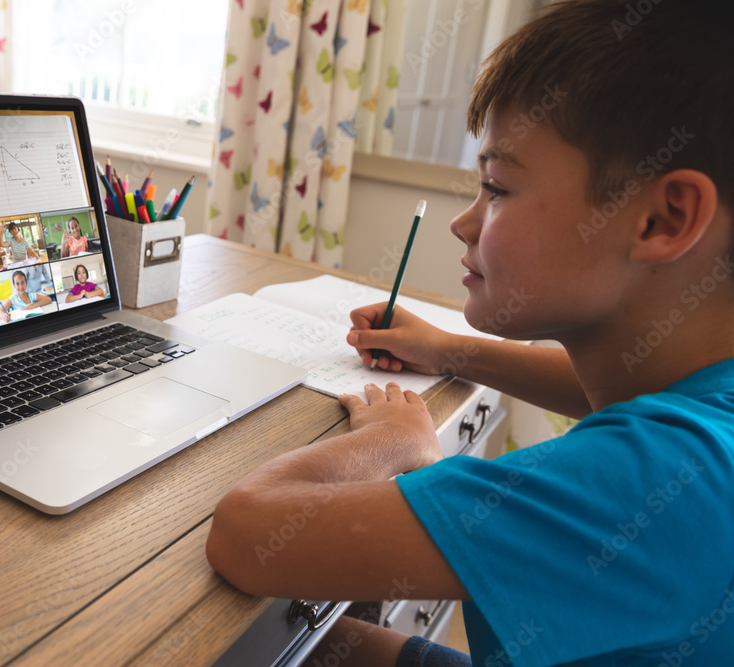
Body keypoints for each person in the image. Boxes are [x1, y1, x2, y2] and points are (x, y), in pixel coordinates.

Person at [206, 2, 734, 665]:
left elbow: (246, 530)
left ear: (664, 218)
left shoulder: (661, 478)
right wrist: (445, 347)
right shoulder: (704, 399)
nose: (465, 223)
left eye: (497, 187)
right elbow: (597, 387)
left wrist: (395, 444)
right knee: (305, 644)